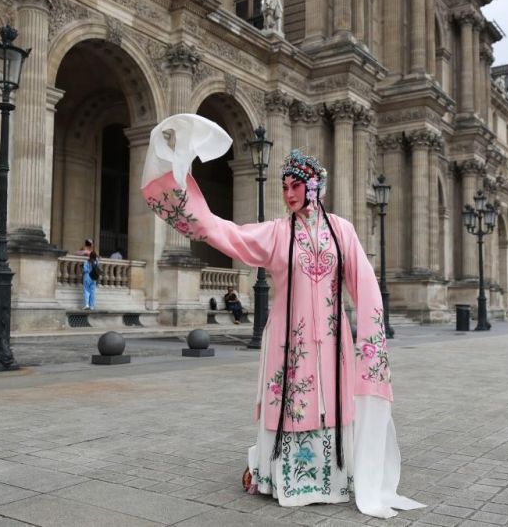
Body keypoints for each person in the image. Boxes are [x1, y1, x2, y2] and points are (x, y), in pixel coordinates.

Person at [141, 114, 424, 518]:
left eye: (296, 186)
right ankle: (279, 474)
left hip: (332, 340)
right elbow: (227, 233)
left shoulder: (342, 231)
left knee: (331, 400)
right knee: (290, 400)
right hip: (287, 339)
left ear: (314, 188)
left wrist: (370, 342)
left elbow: (365, 286)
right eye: (285, 187)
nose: (289, 194)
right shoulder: (276, 233)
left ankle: (333, 477)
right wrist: (178, 188)